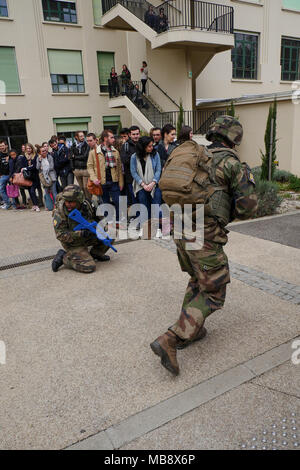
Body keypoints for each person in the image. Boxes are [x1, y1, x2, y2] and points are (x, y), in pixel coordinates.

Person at [150, 116, 258, 375]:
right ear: (235, 138)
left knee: (199, 280)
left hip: (181, 229)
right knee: (214, 290)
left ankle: (192, 330)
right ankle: (171, 339)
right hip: (205, 235)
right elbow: (248, 209)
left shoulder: (195, 155)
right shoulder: (232, 164)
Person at [52, 185, 111, 273]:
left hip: (89, 235)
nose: (68, 204)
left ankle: (95, 254)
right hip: (73, 243)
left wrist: (101, 228)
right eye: (66, 201)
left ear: (79, 200)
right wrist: (80, 233)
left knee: (109, 237)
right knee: (89, 267)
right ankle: (64, 257)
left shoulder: (88, 205)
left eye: (72, 202)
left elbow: (101, 220)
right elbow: (60, 235)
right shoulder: (60, 212)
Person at [87, 129, 124, 224]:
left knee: (118, 201)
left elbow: (119, 169)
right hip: (102, 182)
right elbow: (90, 167)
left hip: (114, 181)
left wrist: (121, 182)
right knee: (106, 203)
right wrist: (94, 179)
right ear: (105, 138)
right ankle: (110, 221)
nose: (113, 139)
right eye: (111, 137)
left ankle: (119, 221)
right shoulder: (94, 152)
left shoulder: (115, 152)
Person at [130, 136, 162, 229]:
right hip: (141, 186)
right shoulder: (134, 157)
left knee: (156, 206)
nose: (152, 148)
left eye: (152, 145)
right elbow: (133, 172)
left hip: (155, 185)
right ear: (143, 147)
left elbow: (158, 170)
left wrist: (153, 183)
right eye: (149, 146)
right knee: (144, 207)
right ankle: (146, 226)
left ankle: (157, 226)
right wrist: (143, 184)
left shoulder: (155, 155)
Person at [120, 126, 140, 206]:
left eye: (137, 134)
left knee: (142, 199)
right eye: (133, 134)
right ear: (130, 135)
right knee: (134, 199)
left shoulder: (143, 143)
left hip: (143, 178)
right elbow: (124, 160)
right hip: (130, 178)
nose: (136, 136)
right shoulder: (126, 146)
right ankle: (136, 216)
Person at [36, 145, 58, 210]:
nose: (45, 152)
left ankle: (56, 205)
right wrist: (40, 161)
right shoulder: (38, 158)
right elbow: (37, 167)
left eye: (45, 150)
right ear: (40, 152)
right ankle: (49, 206)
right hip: (44, 178)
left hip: (51, 177)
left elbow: (52, 167)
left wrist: (43, 168)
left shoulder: (50, 157)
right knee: (46, 192)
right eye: (43, 151)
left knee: (54, 192)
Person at [71, 131, 90, 199]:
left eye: (83, 136)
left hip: (85, 169)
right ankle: (84, 201)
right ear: (76, 137)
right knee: (81, 188)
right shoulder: (73, 145)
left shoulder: (86, 145)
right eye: (81, 136)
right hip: (77, 170)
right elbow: (70, 157)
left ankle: (89, 201)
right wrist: (73, 169)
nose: (83, 137)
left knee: (86, 187)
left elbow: (85, 156)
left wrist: (75, 157)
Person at [0, 140, 10, 210]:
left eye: (3, 146)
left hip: (11, 174)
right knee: (1, 189)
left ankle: (15, 204)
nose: (1, 147)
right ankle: (7, 203)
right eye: (0, 146)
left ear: (6, 146)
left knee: (13, 189)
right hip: (3, 175)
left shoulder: (10, 153)